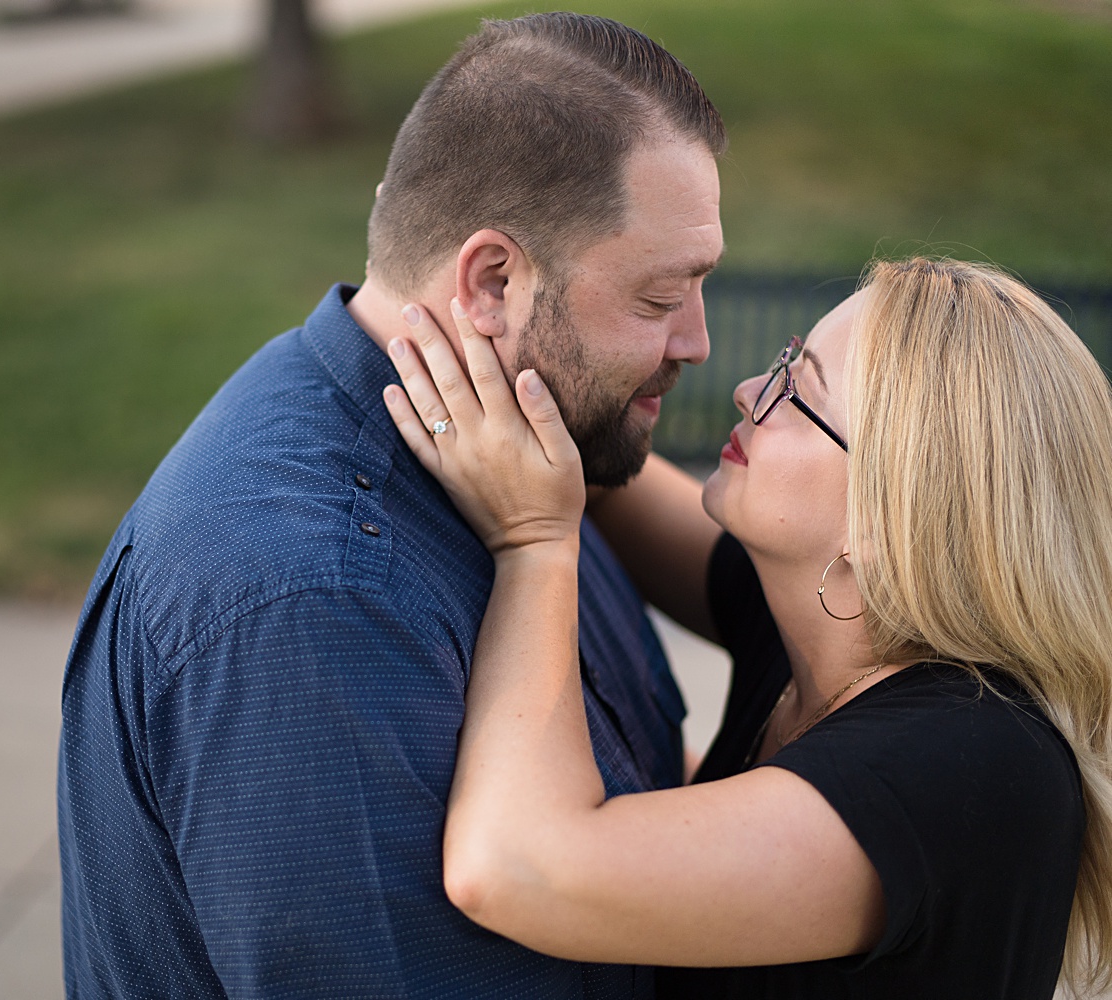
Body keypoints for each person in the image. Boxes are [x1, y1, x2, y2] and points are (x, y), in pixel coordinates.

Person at [58, 13, 727, 998]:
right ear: (492, 281)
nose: (697, 342)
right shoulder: (317, 602)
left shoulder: (532, 453)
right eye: (663, 296)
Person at [381, 257, 1112, 998]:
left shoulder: (969, 761)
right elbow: (583, 475)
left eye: (798, 393)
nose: (751, 390)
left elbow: (512, 867)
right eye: (786, 359)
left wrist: (534, 544)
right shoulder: (822, 624)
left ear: (894, 521)